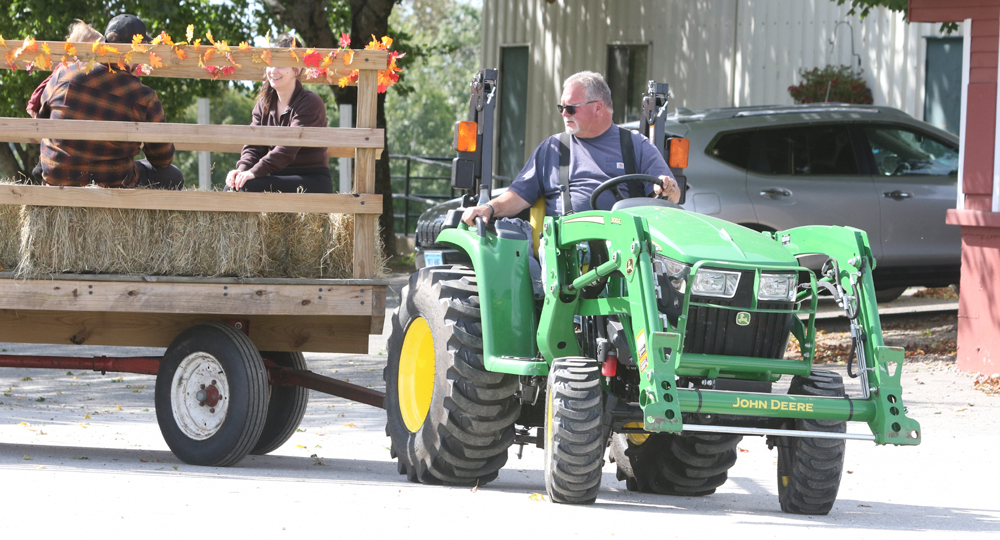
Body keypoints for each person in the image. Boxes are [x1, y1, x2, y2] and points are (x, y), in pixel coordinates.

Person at [462, 71, 679, 226]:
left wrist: (668, 189)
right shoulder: (553, 149)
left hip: (627, 243)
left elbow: (673, 196)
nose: (564, 114)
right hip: (567, 249)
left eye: (571, 108)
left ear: (598, 108)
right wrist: (489, 208)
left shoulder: (635, 144)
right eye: (561, 108)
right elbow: (518, 196)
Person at [37, 14, 183, 189]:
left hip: (58, 180)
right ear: (138, 50)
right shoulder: (144, 96)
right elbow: (162, 158)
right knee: (174, 176)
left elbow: (42, 119)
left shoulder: (64, 74)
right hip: (113, 183)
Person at [226, 35, 332, 193]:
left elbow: (287, 148)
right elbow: (253, 146)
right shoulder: (263, 104)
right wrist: (241, 171)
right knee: (232, 186)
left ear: (297, 70)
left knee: (246, 187)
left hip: (311, 179)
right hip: (278, 177)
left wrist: (254, 172)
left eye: (281, 65)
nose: (273, 71)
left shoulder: (310, 103)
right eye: (270, 64)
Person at [26, 20, 104, 119]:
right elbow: (44, 89)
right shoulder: (66, 69)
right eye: (94, 52)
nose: (99, 57)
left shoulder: (95, 74)